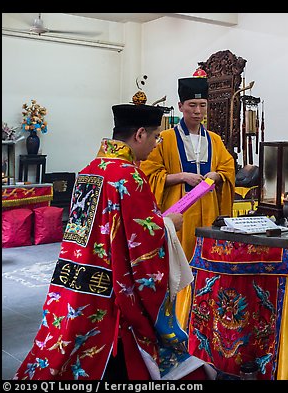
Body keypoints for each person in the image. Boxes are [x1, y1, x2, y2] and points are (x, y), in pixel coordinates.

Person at [14, 104, 214, 380]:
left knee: (65, 343)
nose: (156, 145)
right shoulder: (129, 176)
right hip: (109, 286)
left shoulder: (90, 169)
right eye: (156, 137)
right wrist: (169, 226)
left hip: (74, 276)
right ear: (140, 134)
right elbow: (142, 242)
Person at [140, 74, 235, 328]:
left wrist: (216, 175)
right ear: (181, 106)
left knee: (207, 266)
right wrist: (180, 176)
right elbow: (149, 174)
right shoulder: (166, 139)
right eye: (192, 105)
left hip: (209, 213)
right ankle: (177, 320)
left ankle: (205, 317)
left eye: (202, 105)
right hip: (180, 216)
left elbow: (227, 167)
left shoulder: (214, 140)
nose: (198, 111)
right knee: (179, 268)